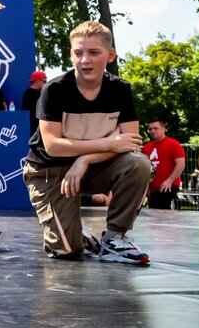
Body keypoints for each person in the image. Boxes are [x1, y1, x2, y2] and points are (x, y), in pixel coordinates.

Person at [21, 21, 152, 264]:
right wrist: (107, 144)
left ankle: (114, 238)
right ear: (71, 55)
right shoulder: (54, 89)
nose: (85, 60)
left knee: (139, 164)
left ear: (110, 55)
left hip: (92, 167)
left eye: (94, 52)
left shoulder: (120, 90)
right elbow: (53, 146)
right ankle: (77, 234)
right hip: (50, 172)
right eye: (78, 53)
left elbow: (130, 143)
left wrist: (83, 160)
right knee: (67, 251)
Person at [142, 120, 186, 209]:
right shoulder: (146, 148)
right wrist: (146, 188)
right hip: (153, 187)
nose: (152, 131)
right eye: (150, 129)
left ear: (163, 129)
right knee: (154, 210)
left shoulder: (173, 144)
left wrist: (169, 180)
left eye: (155, 128)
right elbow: (145, 169)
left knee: (161, 207)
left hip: (169, 185)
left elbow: (181, 164)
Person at [21, 71, 47, 135]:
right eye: (44, 82)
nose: (45, 84)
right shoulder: (40, 94)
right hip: (34, 126)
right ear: (38, 81)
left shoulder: (27, 93)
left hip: (36, 125)